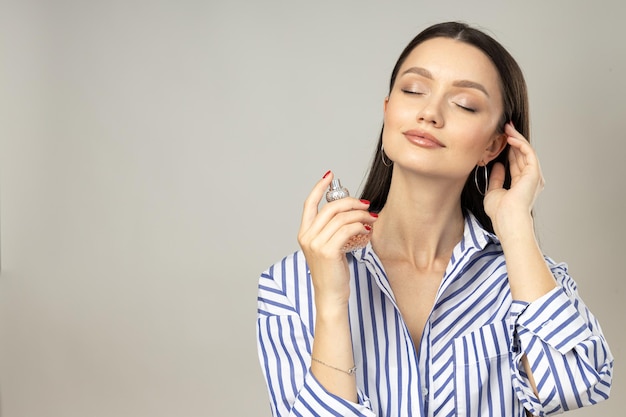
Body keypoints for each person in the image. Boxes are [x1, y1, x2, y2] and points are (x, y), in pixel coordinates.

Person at [256, 21, 613, 417]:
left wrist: (515, 227)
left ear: (494, 145)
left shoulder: (524, 277)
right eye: (413, 90)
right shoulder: (289, 287)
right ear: (388, 110)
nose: (429, 112)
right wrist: (332, 304)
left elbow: (571, 386)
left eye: (464, 103)